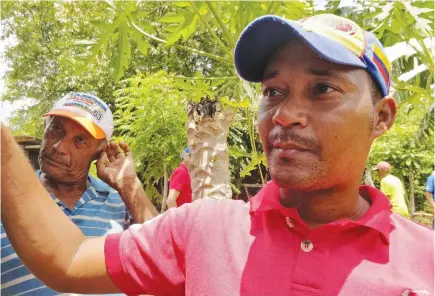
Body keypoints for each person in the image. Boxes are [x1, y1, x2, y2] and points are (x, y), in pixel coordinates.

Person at [2, 14, 434, 295]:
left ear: (381, 117)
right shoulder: (205, 228)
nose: (285, 115)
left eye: (323, 89)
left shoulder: (425, 262)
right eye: (272, 92)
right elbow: (70, 258)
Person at [1, 92, 157, 295]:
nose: (59, 147)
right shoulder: (11, 197)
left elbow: (165, 258)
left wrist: (129, 185)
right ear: (45, 127)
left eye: (80, 140)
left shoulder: (121, 203)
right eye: (55, 130)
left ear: (100, 152)